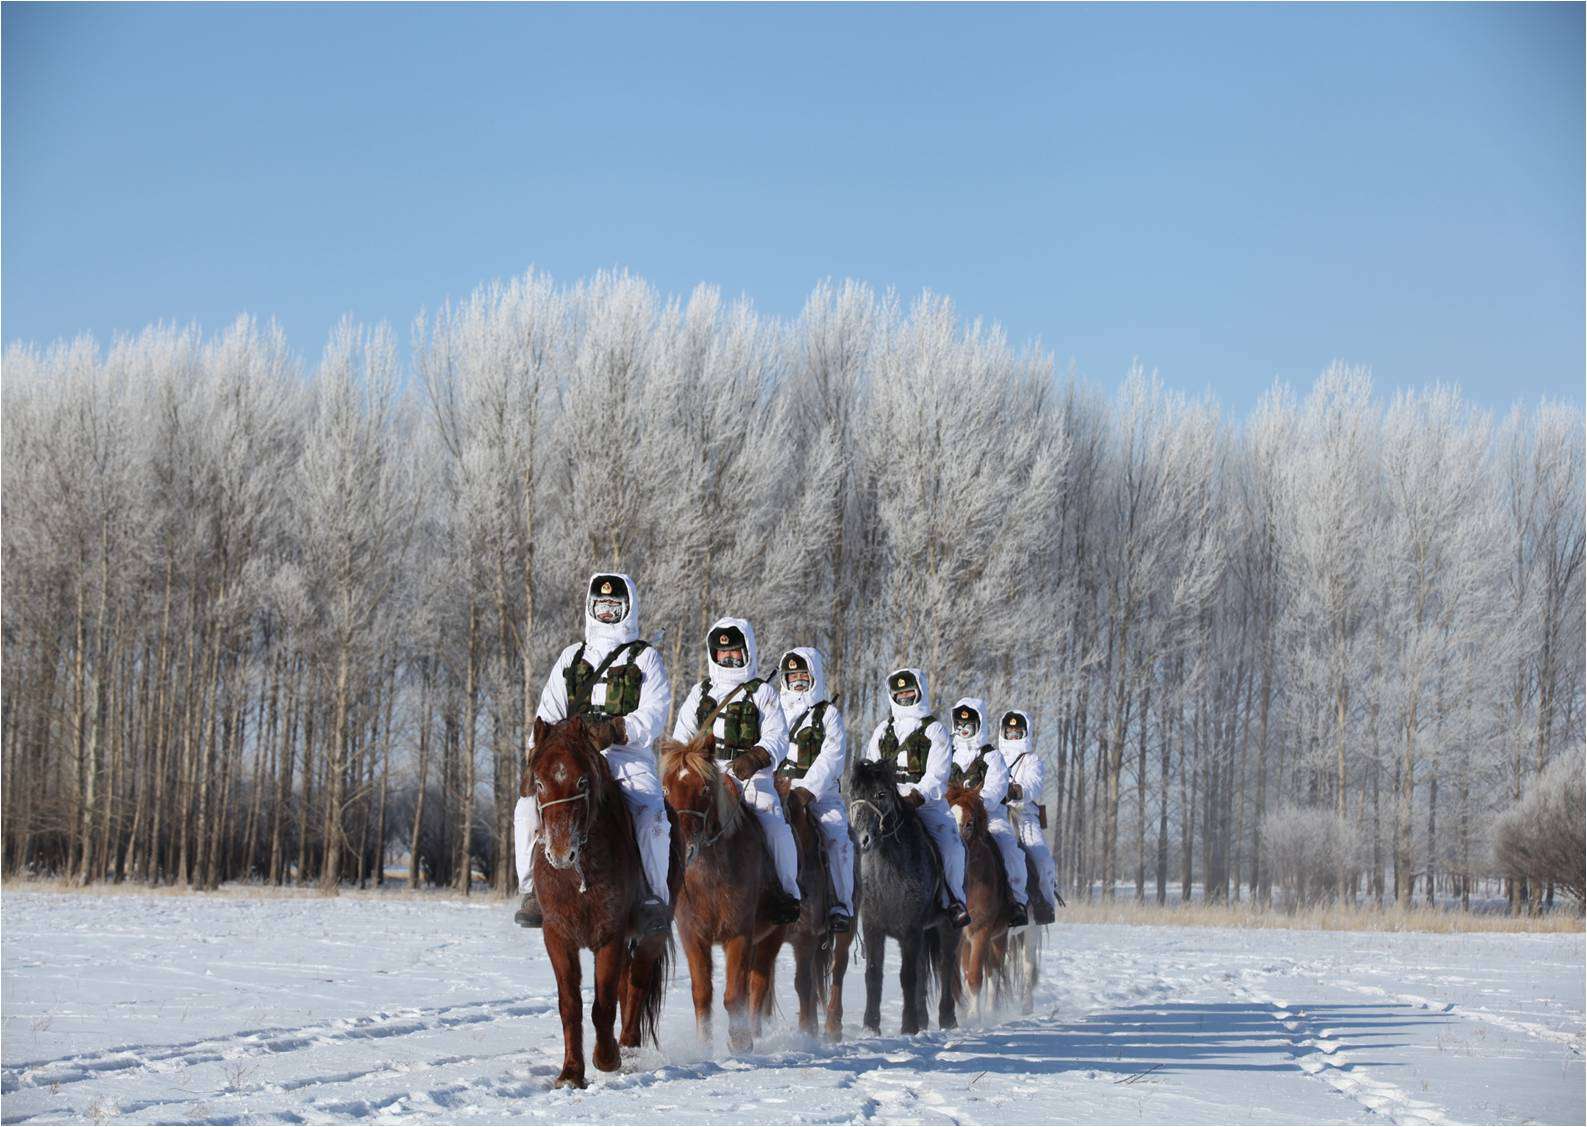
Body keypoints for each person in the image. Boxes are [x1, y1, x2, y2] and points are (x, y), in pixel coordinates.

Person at [512, 573, 674, 936]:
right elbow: (548, 711)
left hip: (626, 756)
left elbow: (655, 712)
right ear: (591, 608)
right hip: (573, 760)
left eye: (614, 606)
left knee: (651, 815)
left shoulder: (645, 657)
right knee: (525, 811)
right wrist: (533, 758)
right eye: (601, 606)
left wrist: (618, 730)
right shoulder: (572, 657)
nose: (607, 612)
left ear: (626, 609)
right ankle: (530, 891)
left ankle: (653, 896)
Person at [672, 618, 801, 925]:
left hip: (750, 775)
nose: (728, 658)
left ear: (747, 652)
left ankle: (787, 891)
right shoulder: (700, 693)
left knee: (775, 824)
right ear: (713, 655)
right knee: (672, 820)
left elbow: (778, 737)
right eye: (722, 653)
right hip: (706, 772)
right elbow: (681, 737)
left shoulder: (763, 694)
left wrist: (756, 757)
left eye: (734, 653)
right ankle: (665, 889)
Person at [862, 668, 972, 928]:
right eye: (899, 693)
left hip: (925, 804)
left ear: (919, 692)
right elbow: (869, 764)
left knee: (952, 847)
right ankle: (860, 897)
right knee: (860, 839)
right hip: (887, 803)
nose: (904, 697)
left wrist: (915, 797)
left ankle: (953, 899)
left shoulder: (935, 730)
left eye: (909, 692)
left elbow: (938, 773)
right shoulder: (883, 730)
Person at [777, 647, 855, 932]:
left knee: (837, 839)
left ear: (814, 676)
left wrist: (806, 791)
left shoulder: (828, 715)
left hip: (819, 795)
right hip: (778, 788)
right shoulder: (774, 710)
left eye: (802, 674)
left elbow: (832, 757)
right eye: (792, 674)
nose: (797, 679)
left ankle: (841, 904)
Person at [949, 697, 1029, 927]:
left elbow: (996, 787)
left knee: (1009, 849)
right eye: (961, 726)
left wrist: (974, 804)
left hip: (988, 816)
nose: (964, 730)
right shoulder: (950, 754)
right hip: (952, 817)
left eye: (969, 726)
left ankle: (1017, 901)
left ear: (979, 726)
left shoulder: (992, 756)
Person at [999, 708, 1059, 911]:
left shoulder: (1031, 760)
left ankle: (1046, 903)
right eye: (1010, 732)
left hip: (1024, 814)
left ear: (1025, 732)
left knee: (1042, 859)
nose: (1013, 736)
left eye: (1017, 733)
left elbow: (1034, 783)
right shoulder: (993, 756)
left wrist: (1019, 791)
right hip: (997, 812)